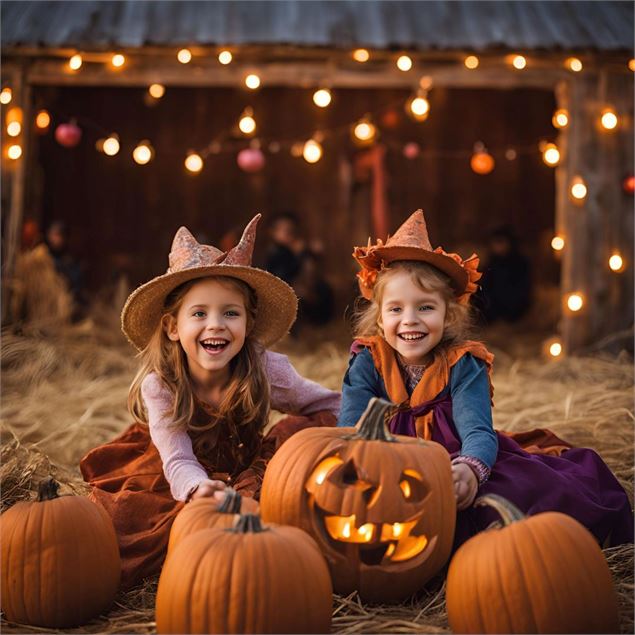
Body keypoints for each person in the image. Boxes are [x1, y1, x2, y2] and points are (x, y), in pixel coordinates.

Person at [338, 209, 633, 550]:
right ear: (378, 319)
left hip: (452, 465)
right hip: (384, 470)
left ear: (448, 316)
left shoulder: (464, 364)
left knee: (507, 509)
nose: (410, 320)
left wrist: (470, 470)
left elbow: (477, 429)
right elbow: (351, 427)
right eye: (396, 309)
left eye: (425, 308)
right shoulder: (367, 361)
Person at [80, 214, 340, 588]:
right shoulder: (163, 385)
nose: (215, 325)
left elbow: (326, 404)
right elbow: (178, 458)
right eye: (199, 313)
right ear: (173, 327)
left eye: (230, 313)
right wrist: (197, 488)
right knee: (142, 527)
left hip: (249, 470)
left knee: (300, 440)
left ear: (247, 325)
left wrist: (355, 430)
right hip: (181, 476)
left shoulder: (265, 369)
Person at [473, 225, 532, 324]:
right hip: (492, 308)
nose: (497, 246)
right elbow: (485, 285)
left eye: (500, 242)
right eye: (495, 242)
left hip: (513, 308)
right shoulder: (492, 262)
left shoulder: (520, 264)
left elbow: (522, 291)